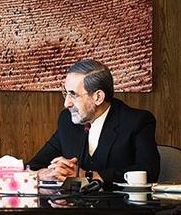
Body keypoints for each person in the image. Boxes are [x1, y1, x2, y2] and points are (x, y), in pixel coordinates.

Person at [28, 59, 159, 188]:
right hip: (74, 206)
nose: (66, 103)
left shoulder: (137, 121)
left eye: (73, 95)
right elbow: (33, 166)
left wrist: (89, 175)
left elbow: (149, 172)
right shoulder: (67, 120)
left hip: (120, 206)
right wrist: (47, 173)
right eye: (65, 93)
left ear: (98, 97)